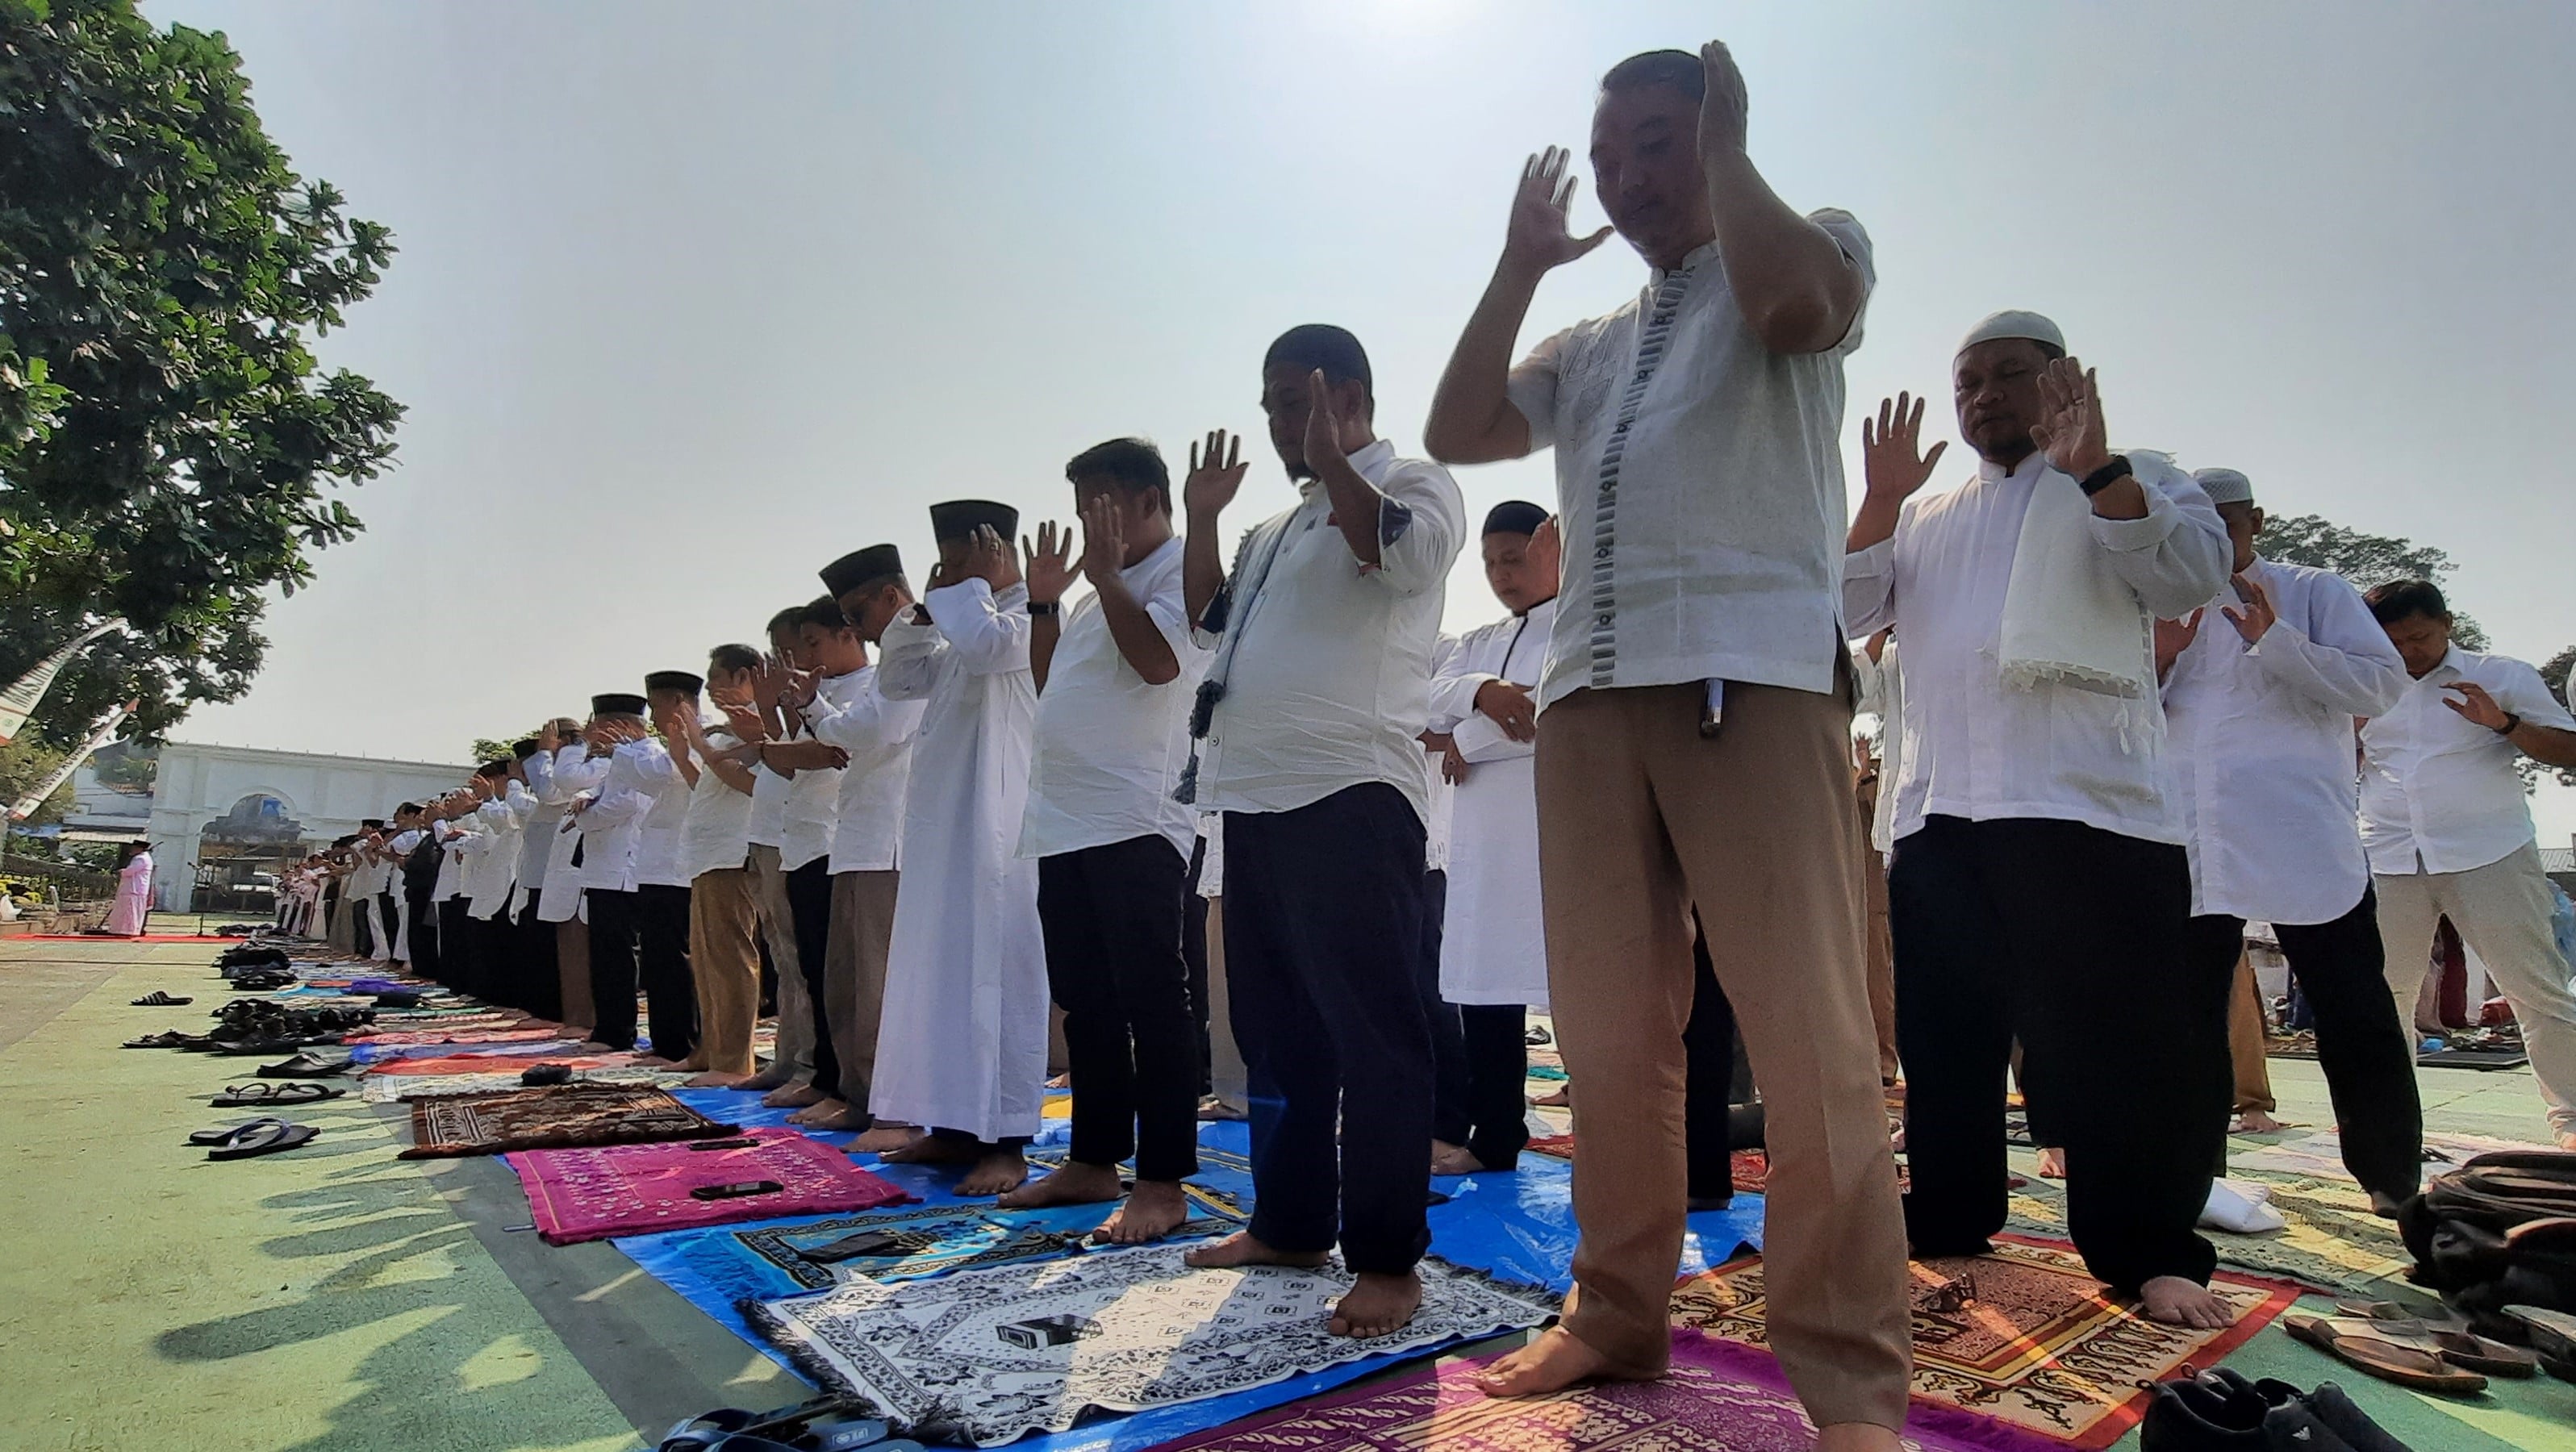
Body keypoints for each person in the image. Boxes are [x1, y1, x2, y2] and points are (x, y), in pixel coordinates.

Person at [1421, 43, 1910, 1430]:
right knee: (1609, 1038)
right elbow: (1460, 427)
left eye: (1657, 143)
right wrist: (1522, 262)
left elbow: (1800, 309)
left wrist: (1731, 156)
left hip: (1749, 681)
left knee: (1807, 1043)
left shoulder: (1810, 243)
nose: (1629, 177)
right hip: (1589, 705)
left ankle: (1849, 1378)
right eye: (1611, 152)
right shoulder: (1588, 347)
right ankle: (1615, 1315)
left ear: (1715, 139)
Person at [1844, 312, 2236, 1330]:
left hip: (2086, 806)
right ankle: (1950, 1211)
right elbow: (1843, 613)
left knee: (2117, 1042)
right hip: (1940, 810)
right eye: (1967, 381)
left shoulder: (2134, 474)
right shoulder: (1926, 515)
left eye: (2009, 375)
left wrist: (2097, 467)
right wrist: (1880, 500)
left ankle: (2149, 1249)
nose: (1984, 398)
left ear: (2062, 381)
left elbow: (2186, 576)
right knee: (1946, 1038)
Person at [1180, 323, 1464, 1339]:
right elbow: (1211, 623)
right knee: (1277, 1038)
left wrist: (1339, 460)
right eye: (1268, 408)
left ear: (1346, 397)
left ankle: (1387, 1259)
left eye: (1292, 404)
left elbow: (1401, 557)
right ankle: (1291, 1224)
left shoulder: (1418, 484)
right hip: (1250, 804)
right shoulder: (1274, 529)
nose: (1277, 426)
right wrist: (1202, 517)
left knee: (1375, 1038)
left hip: (1350, 796)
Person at [2157, 467, 2421, 1211]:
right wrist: (2159, 660)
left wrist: (2277, 644)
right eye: (2193, 529)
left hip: (2301, 832)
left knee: (2353, 1011)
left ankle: (2390, 1181)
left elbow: (2379, 686)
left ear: (2257, 522)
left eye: (2226, 524)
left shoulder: (2313, 592)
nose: (2212, 542)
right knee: (2189, 1020)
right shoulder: (2159, 601)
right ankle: (2191, 1180)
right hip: (2191, 836)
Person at [997, 437, 1213, 1241]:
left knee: (1153, 1000)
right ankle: (1092, 1161)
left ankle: (1162, 1181)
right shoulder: (1098, 594)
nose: (1091, 520)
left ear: (1148, 500)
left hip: (1137, 817)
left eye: (1102, 503)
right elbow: (1052, 683)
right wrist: (1049, 602)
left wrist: (1106, 579)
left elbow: (1159, 664)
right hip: (1067, 818)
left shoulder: (1180, 571)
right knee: (1084, 1001)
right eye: (1083, 504)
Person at [870, 502, 1047, 1196]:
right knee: (939, 972)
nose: (948, 572)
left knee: (998, 977)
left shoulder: (1030, 617)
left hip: (1000, 834)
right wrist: (920, 614)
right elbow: (897, 680)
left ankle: (1007, 1140)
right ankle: (947, 1125)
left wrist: (969, 586)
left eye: (963, 555)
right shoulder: (957, 620)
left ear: (996, 551)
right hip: (944, 836)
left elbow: (987, 644)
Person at [2359, 578, 2576, 1145]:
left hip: (2489, 854)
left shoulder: (2501, 674)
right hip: (2388, 855)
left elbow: (2570, 749)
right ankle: (2389, 1127)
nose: (2408, 652)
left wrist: (2503, 724)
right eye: (2393, 642)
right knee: (2385, 996)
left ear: (2447, 624)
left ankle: (2571, 1122)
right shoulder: (2363, 682)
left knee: (2536, 990)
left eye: (2419, 638)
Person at [1423, 501, 1561, 1175]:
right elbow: (1418, 708)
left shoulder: (1576, 624)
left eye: (1513, 558)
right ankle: (1495, 1138)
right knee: (1485, 992)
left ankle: (1619, 1150)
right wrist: (1481, 692)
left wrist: (1465, 735)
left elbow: (1546, 716)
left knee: (1578, 992)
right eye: (1490, 563)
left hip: (1551, 834)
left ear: (1549, 550)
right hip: (1482, 843)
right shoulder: (1475, 643)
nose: (1501, 575)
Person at [811, 546, 930, 1150]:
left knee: (883, 985)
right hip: (858, 839)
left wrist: (813, 713)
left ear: (891, 596)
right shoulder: (891, 660)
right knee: (848, 983)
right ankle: (864, 1100)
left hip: (891, 841)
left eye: (858, 613)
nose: (854, 630)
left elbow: (875, 729)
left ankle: (898, 1111)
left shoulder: (919, 647)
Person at [755, 604, 859, 1125]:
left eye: (798, 647)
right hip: (800, 843)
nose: (792, 661)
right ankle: (820, 1077)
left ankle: (844, 1084)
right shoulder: (810, 697)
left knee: (841, 975)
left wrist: (794, 745)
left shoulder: (866, 684)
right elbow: (778, 757)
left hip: (837, 844)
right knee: (812, 972)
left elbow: (833, 751)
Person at [675, 646, 766, 1083]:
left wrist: (700, 745)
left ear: (746, 676)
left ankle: (734, 1061)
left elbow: (745, 783)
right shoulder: (723, 730)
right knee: (706, 957)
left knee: (731, 958)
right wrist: (684, 756)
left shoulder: (760, 722)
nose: (710, 688)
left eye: (717, 678)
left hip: (734, 854)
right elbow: (710, 787)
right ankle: (711, 1050)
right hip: (707, 854)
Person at [568, 692, 670, 1052]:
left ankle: (619, 1031)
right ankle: (608, 1026)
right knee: (605, 952)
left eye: (596, 728)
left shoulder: (649, 756)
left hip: (624, 868)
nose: (592, 736)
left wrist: (584, 816)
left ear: (619, 726)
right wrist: (585, 800)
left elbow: (624, 804)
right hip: (604, 866)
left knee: (618, 954)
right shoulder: (618, 759)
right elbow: (597, 792)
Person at [104, 840, 152, 936]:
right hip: (135, 889)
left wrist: (122, 871)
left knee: (130, 911)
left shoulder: (141, 859)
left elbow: (130, 871)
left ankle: (127, 930)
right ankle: (123, 930)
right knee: (127, 910)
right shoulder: (143, 858)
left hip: (134, 889)